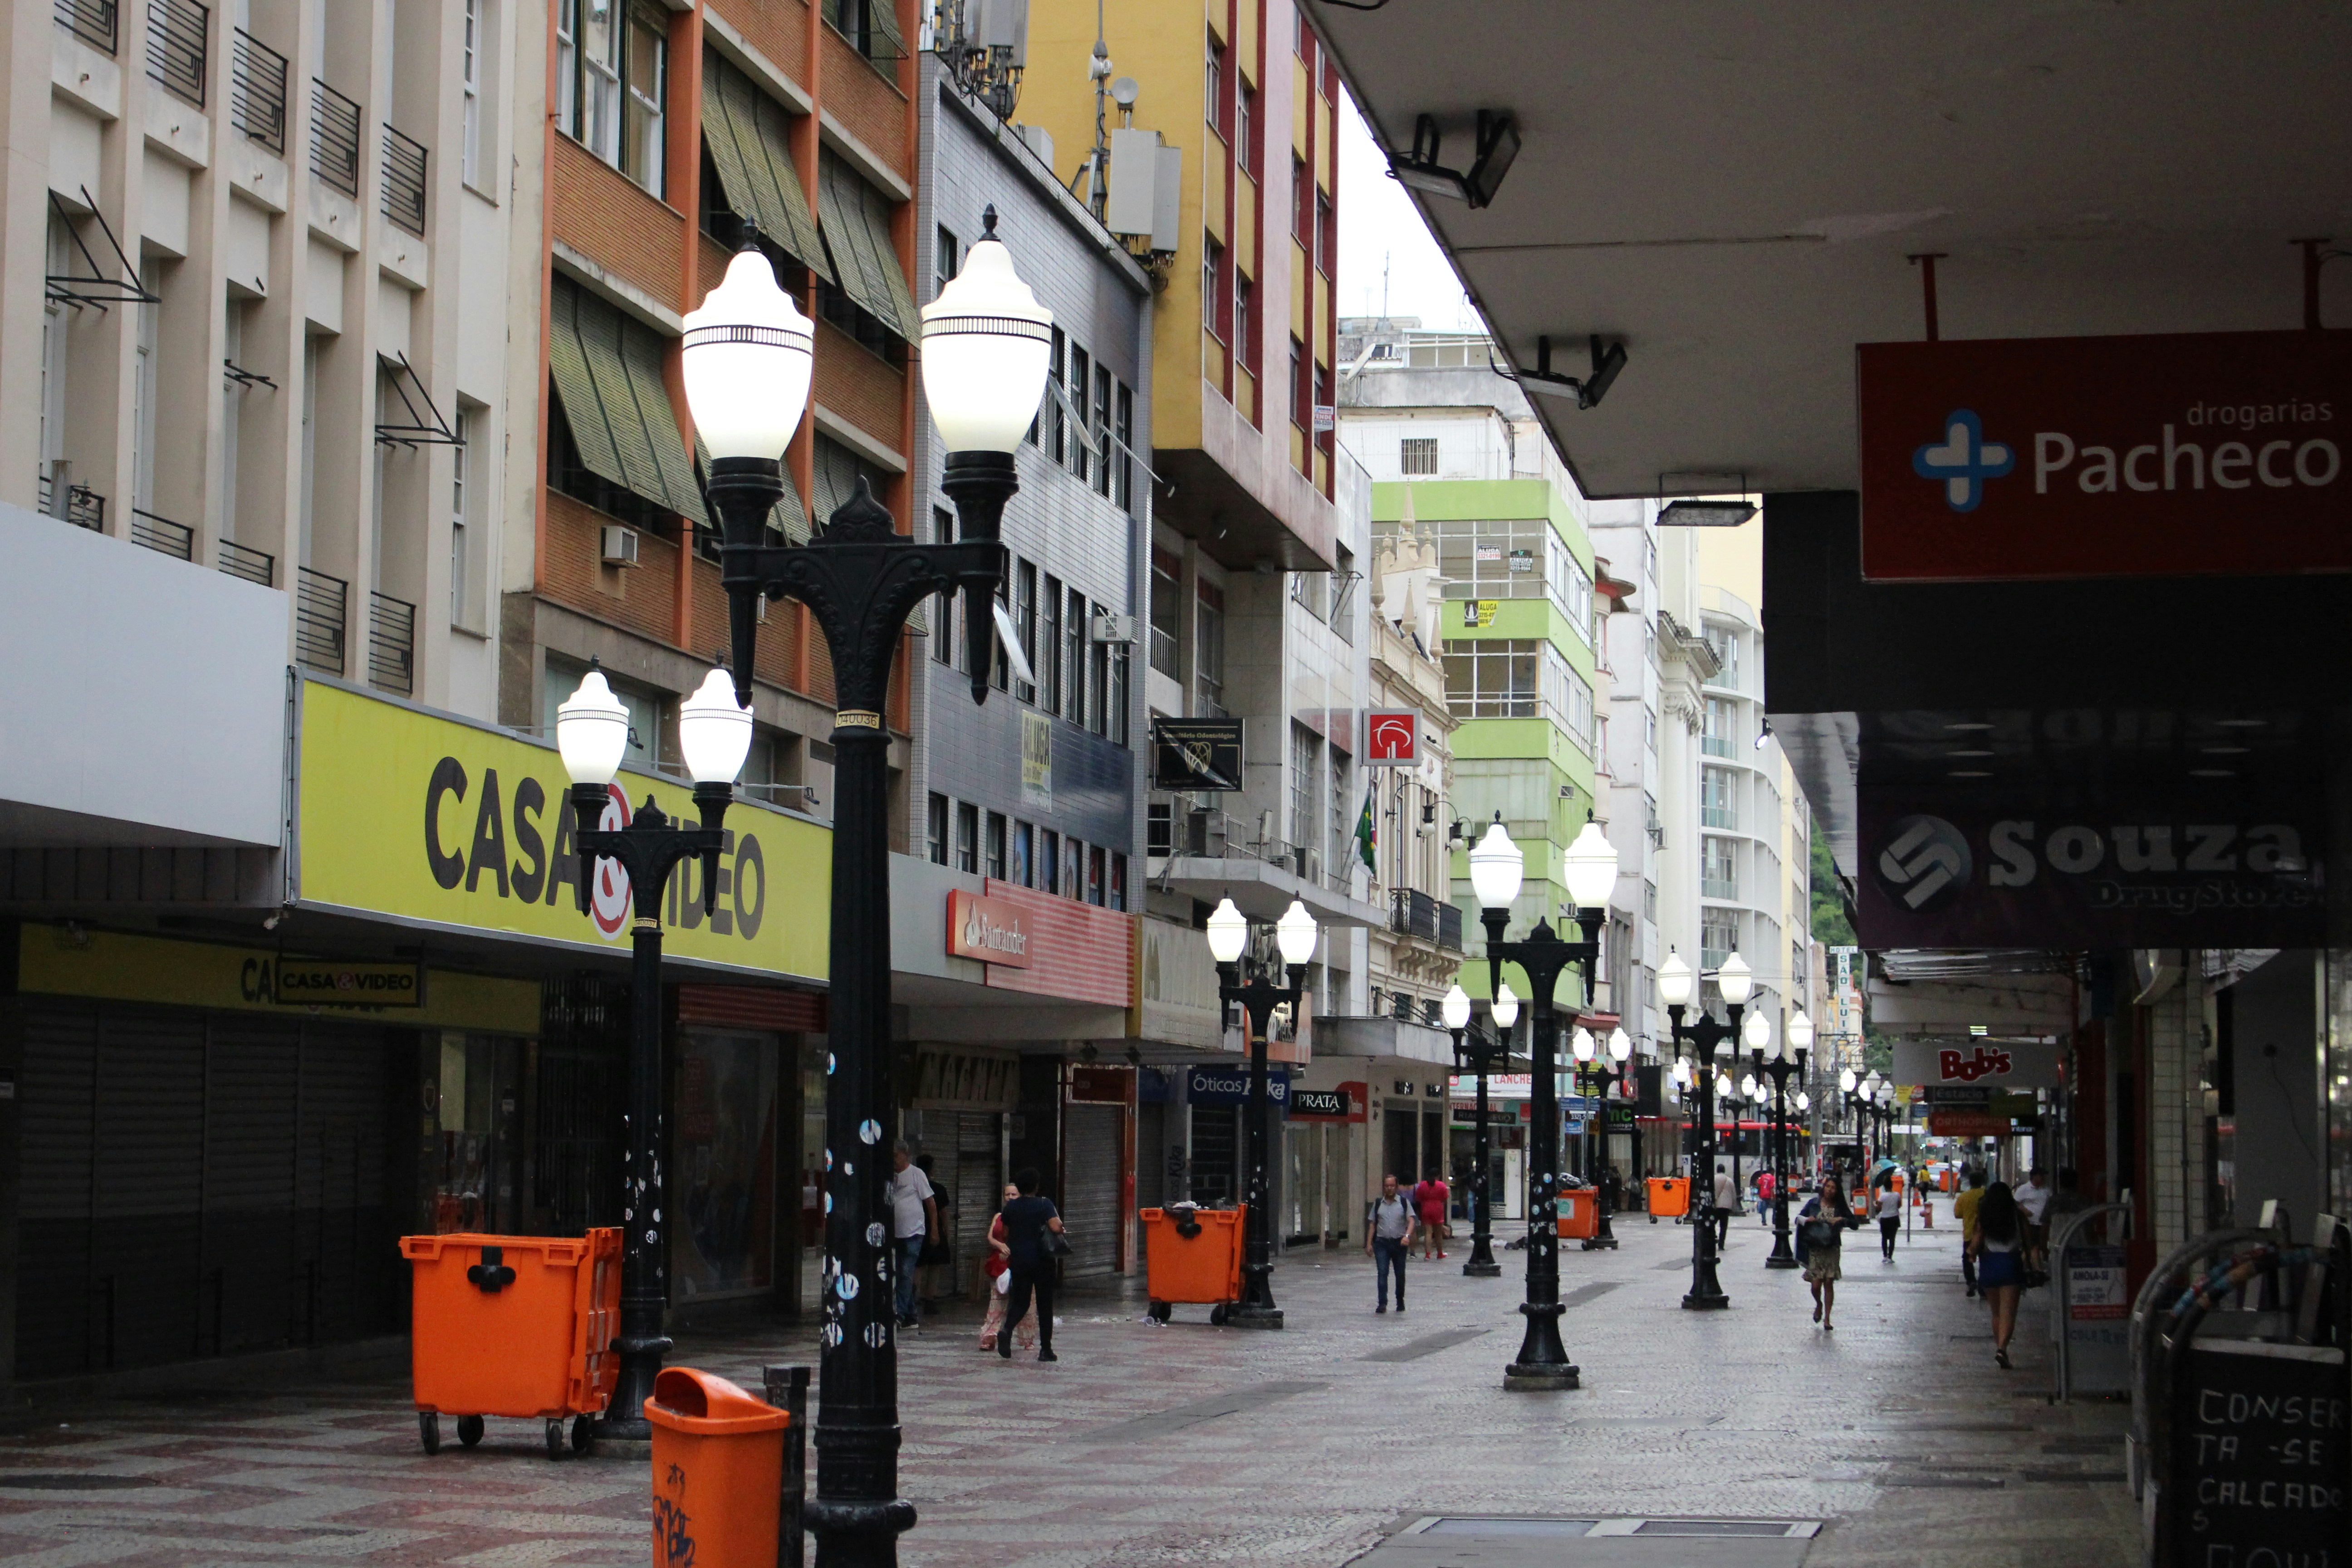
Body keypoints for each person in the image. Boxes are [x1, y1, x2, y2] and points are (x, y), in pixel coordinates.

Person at [996, 1168, 1065, 1363]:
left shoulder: (1011, 1207)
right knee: (1045, 1305)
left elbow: (1005, 1234)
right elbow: (1056, 1227)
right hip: (1042, 1262)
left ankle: (1007, 1329)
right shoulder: (1044, 1204)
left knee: (1020, 1302)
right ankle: (1046, 1350)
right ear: (1036, 1186)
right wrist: (1061, 1227)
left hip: (1019, 1261)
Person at [978, 1182, 1039, 1354]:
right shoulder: (999, 1216)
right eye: (1008, 1195)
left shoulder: (1027, 1215)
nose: (1010, 1198)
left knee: (1027, 1301)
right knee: (997, 1301)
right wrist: (999, 1245)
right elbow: (991, 1236)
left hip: (1021, 1262)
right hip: (999, 1264)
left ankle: (1027, 1339)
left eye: (1014, 1195)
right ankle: (990, 1337)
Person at [1971, 1180, 2027, 1367]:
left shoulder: (1984, 1217)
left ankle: (2000, 1349)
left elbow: (1975, 1243)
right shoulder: (2017, 1216)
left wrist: (1971, 1254)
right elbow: (2031, 1244)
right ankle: (2002, 1349)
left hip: (1989, 1265)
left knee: (1996, 1313)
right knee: (2008, 1314)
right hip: (2011, 1264)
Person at [885, 1142, 937, 1329]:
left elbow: (931, 1203)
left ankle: (899, 1313)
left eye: (896, 1156)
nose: (894, 1161)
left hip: (913, 1233)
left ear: (905, 1155)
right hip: (895, 1234)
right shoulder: (890, 1176)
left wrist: (934, 1230)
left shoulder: (917, 1174)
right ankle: (912, 1316)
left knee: (906, 1273)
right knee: (899, 1274)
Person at [1796, 1175, 1858, 1329]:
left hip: (1832, 1247)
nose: (1830, 1190)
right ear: (1824, 1188)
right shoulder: (1814, 1203)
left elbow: (1855, 1224)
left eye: (1833, 1188)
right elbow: (1798, 1218)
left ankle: (1827, 1319)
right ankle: (1819, 1305)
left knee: (1829, 1282)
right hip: (1816, 1247)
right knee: (1816, 1285)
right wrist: (1808, 1220)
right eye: (1828, 1187)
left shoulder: (1839, 1207)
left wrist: (1841, 1220)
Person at [1367, 1174, 1417, 1313]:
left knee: (1400, 1274)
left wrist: (1407, 1236)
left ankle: (1400, 1300)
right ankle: (1382, 1303)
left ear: (1397, 1187)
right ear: (1384, 1187)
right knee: (1382, 1273)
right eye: (1387, 1186)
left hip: (1399, 1244)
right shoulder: (1378, 1204)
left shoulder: (1404, 1203)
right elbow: (1372, 1224)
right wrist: (1369, 1243)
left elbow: (1411, 1221)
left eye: (1392, 1186)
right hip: (1382, 1243)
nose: (1390, 1188)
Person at [915, 1152, 952, 1312]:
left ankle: (913, 1299)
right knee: (934, 1267)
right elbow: (944, 1213)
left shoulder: (915, 1187)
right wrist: (947, 1232)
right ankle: (930, 1300)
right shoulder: (938, 1189)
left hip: (917, 1230)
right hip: (934, 1230)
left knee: (918, 1266)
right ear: (931, 1169)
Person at [1953, 1167, 1988, 1298]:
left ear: (1970, 1182)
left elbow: (1958, 1214)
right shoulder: (1987, 1194)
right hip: (1986, 1234)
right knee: (1985, 1259)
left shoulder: (1964, 1197)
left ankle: (1971, 1281)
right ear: (1983, 1181)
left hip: (1969, 1234)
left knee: (1967, 1258)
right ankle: (1984, 1286)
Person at [2016, 1166, 2052, 1270]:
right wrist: (2024, 1211)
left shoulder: (2047, 1190)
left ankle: (2024, 1268)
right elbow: (2015, 1203)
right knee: (2033, 1247)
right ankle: (2037, 1270)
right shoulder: (2024, 1189)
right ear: (2034, 1177)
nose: (2044, 1178)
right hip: (2030, 1224)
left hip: (2043, 1225)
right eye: (2041, 1176)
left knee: (2036, 1248)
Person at [1413, 1171, 1450, 1261]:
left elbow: (1418, 1198)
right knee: (1438, 1233)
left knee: (1428, 1232)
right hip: (1438, 1209)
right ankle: (1440, 1253)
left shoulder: (1422, 1185)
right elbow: (1445, 1198)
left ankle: (1428, 1254)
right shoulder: (1441, 1185)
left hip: (1426, 1209)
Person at [1873, 1178, 1903, 1260]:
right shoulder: (1897, 1195)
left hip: (1885, 1218)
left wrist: (1876, 1205)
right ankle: (1890, 1256)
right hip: (1894, 1218)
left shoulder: (1883, 1196)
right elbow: (1899, 1205)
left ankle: (1885, 1256)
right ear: (1892, 1185)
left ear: (1885, 1186)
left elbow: (1878, 1208)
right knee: (1892, 1238)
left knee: (1884, 1238)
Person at [1712, 1166, 1736, 1249]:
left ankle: (1714, 1236)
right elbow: (1734, 1195)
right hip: (1726, 1207)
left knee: (1712, 1223)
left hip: (1716, 1206)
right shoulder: (1730, 1181)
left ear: (1717, 1170)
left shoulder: (1714, 1179)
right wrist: (1734, 1207)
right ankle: (1721, 1245)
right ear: (1724, 1170)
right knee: (1724, 1227)